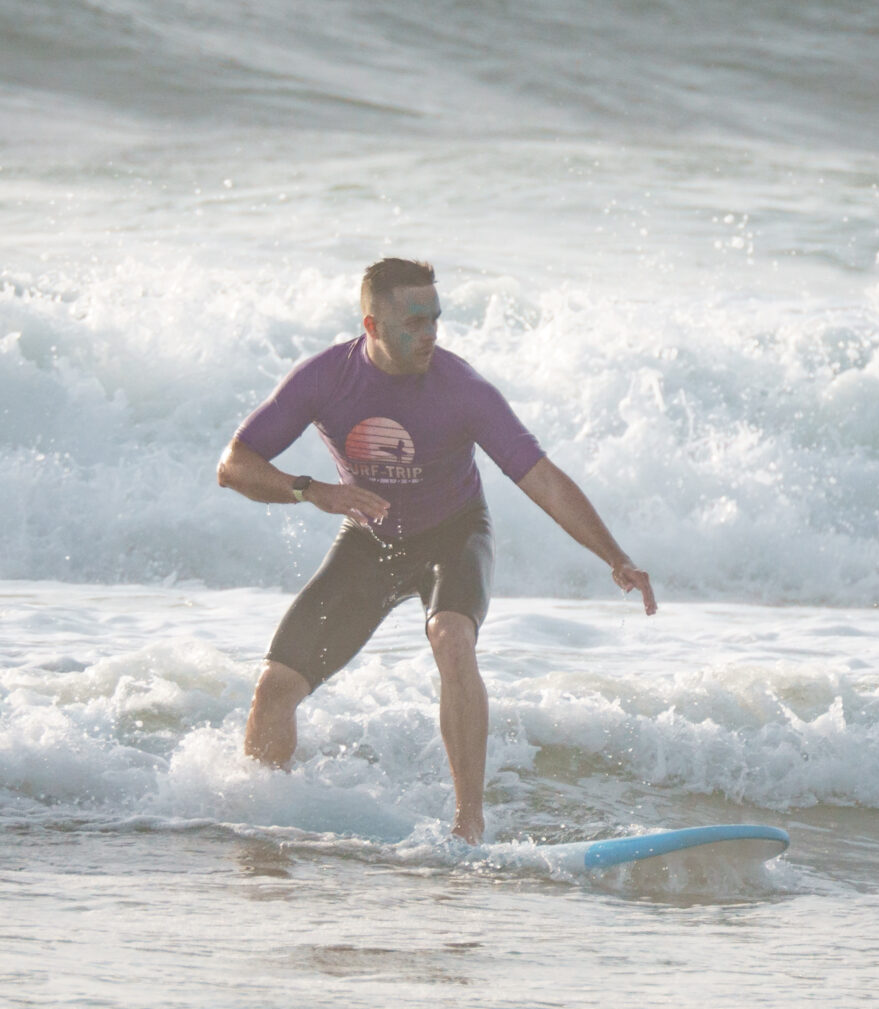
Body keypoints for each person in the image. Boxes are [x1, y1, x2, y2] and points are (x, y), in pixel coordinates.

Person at [217, 257, 656, 844]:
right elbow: (234, 466)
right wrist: (312, 490)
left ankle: (468, 827)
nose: (429, 334)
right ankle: (258, 825)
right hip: (369, 540)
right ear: (372, 326)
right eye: (413, 322)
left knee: (451, 638)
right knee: (275, 687)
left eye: (435, 319)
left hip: (454, 534)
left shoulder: (461, 389)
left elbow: (544, 480)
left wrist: (615, 557)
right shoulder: (325, 379)